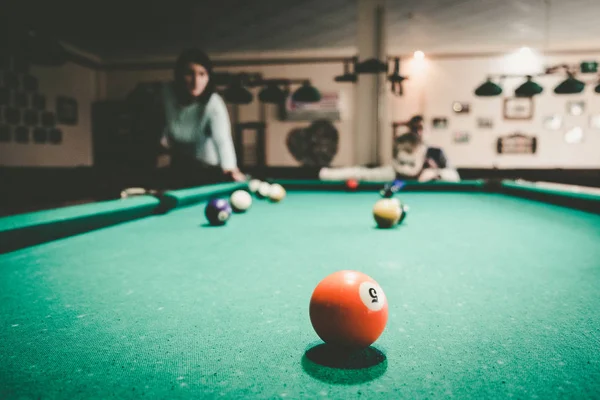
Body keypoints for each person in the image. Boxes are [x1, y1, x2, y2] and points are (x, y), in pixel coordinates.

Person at [159, 48, 246, 187]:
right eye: (189, 73)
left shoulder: (214, 102)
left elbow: (223, 140)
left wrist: (231, 169)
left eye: (202, 74)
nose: (196, 81)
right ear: (179, 75)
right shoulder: (166, 94)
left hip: (209, 168)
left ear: (208, 77)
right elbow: (159, 130)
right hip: (178, 166)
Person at [318, 115, 459, 182]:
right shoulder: (393, 166)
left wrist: (437, 174)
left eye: (421, 128)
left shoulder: (435, 156)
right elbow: (360, 173)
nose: (405, 169)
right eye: (401, 163)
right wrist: (327, 174)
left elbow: (455, 177)